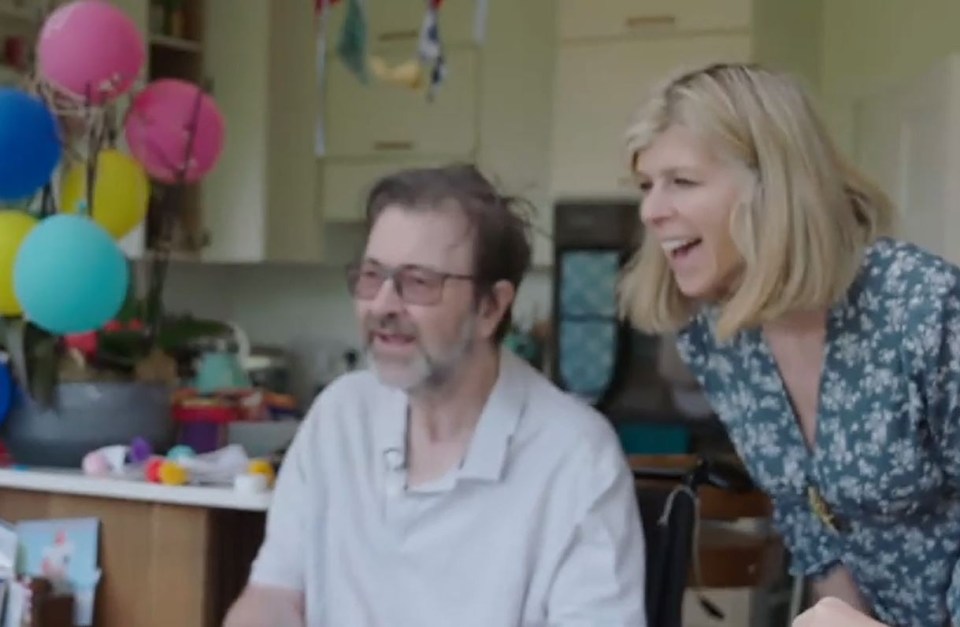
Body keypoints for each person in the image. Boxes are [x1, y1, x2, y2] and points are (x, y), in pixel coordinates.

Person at [225, 164, 647, 627]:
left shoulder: (575, 456)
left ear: (490, 307)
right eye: (371, 276)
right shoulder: (340, 416)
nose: (382, 305)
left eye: (418, 282)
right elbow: (273, 596)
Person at [618, 61, 960, 626]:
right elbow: (808, 514)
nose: (651, 211)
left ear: (772, 184)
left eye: (681, 181)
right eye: (645, 185)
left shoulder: (920, 307)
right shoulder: (715, 333)